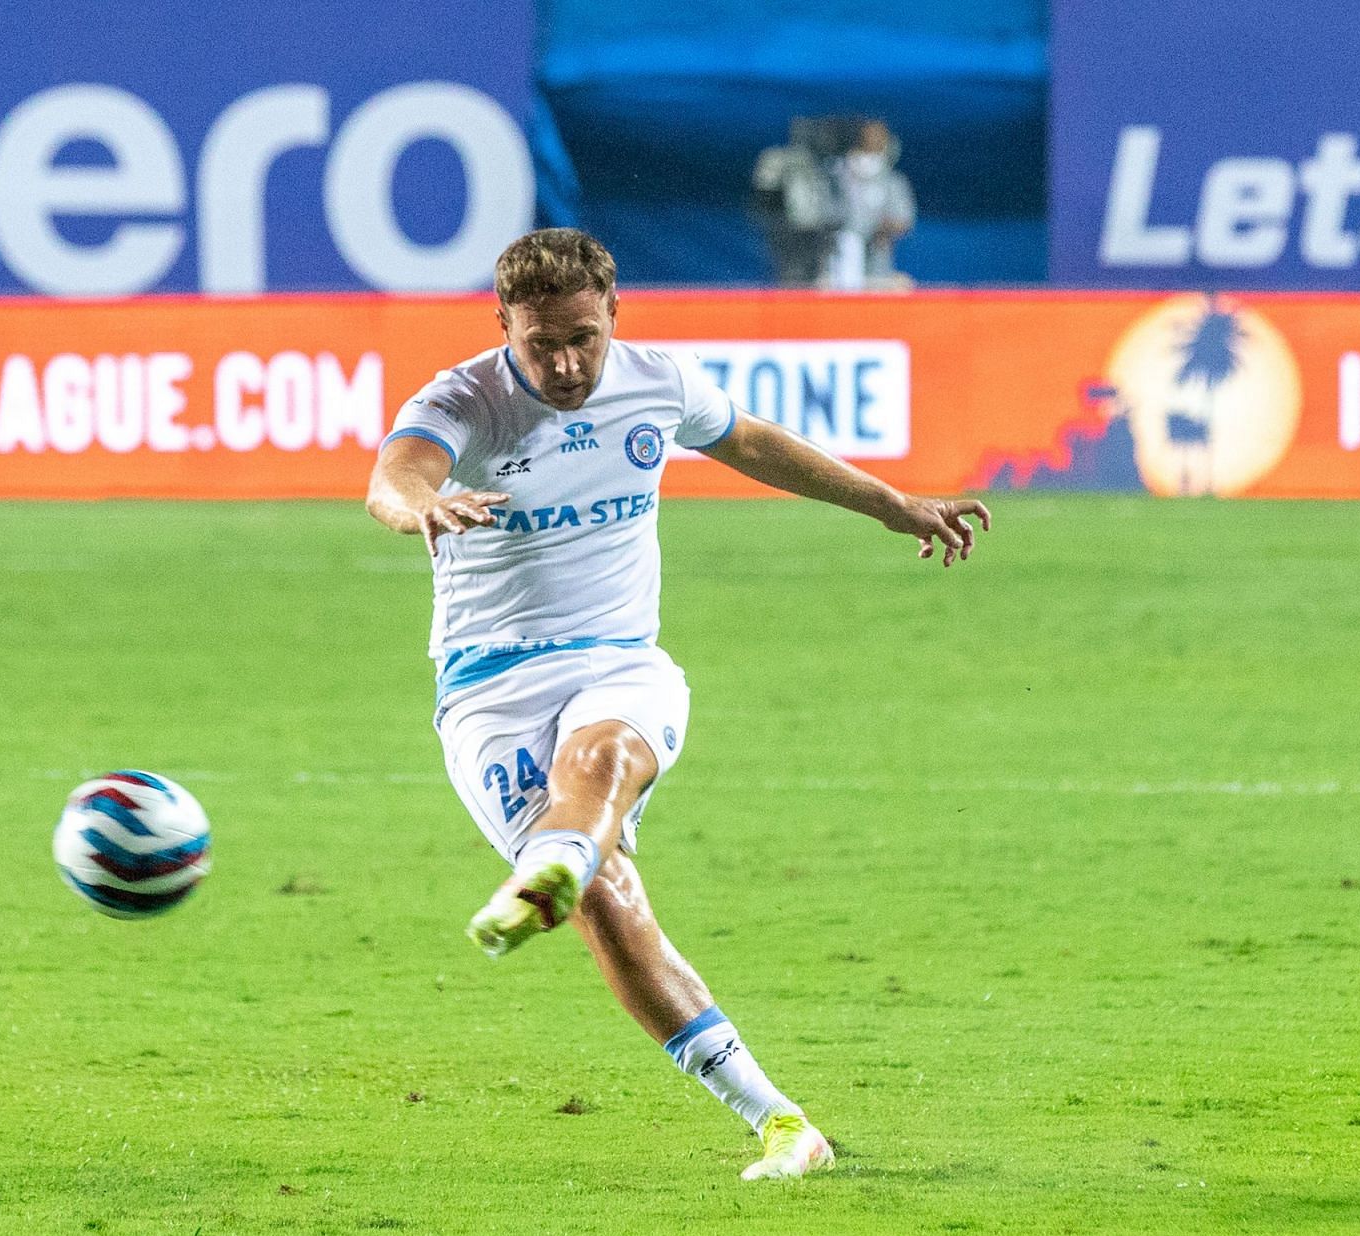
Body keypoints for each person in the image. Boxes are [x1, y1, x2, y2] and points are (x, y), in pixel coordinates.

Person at [364, 228, 989, 1181]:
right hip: (487, 687)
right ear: (503, 328)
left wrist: (892, 505)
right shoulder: (464, 399)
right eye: (542, 344)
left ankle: (558, 857)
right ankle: (784, 1123)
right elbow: (397, 471)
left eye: (584, 335)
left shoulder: (659, 383)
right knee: (610, 908)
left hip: (619, 657)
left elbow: (754, 445)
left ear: (615, 314)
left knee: (602, 754)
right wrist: (421, 508)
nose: (567, 363)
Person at [826, 119, 916, 291]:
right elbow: (824, 216)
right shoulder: (837, 176)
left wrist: (884, 227)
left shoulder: (893, 182)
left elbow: (904, 221)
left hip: (878, 267)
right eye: (868, 135)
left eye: (879, 137)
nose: (873, 140)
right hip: (840, 265)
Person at [749, 117, 839, 287]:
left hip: (817, 228)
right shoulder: (778, 158)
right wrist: (777, 224)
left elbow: (830, 199)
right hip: (790, 228)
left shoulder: (824, 163)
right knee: (792, 274)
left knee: (816, 275)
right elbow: (764, 194)